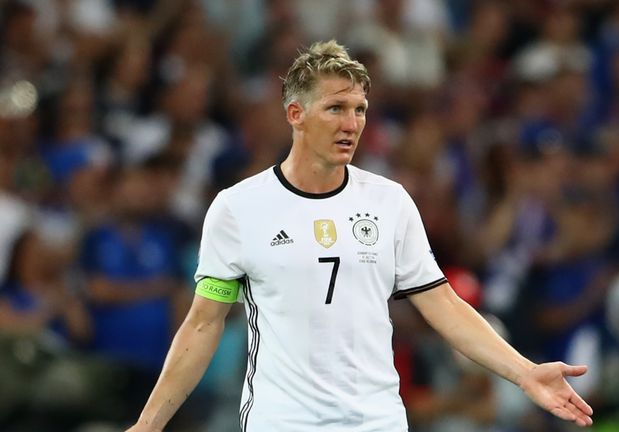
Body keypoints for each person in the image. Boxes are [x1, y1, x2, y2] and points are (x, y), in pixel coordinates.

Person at [127, 40, 593, 432]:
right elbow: (204, 323)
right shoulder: (238, 208)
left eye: (360, 110)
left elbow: (444, 306)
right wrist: (147, 425)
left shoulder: (388, 202)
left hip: (376, 421)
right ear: (296, 113)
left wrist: (526, 373)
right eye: (335, 108)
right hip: (283, 421)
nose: (351, 124)